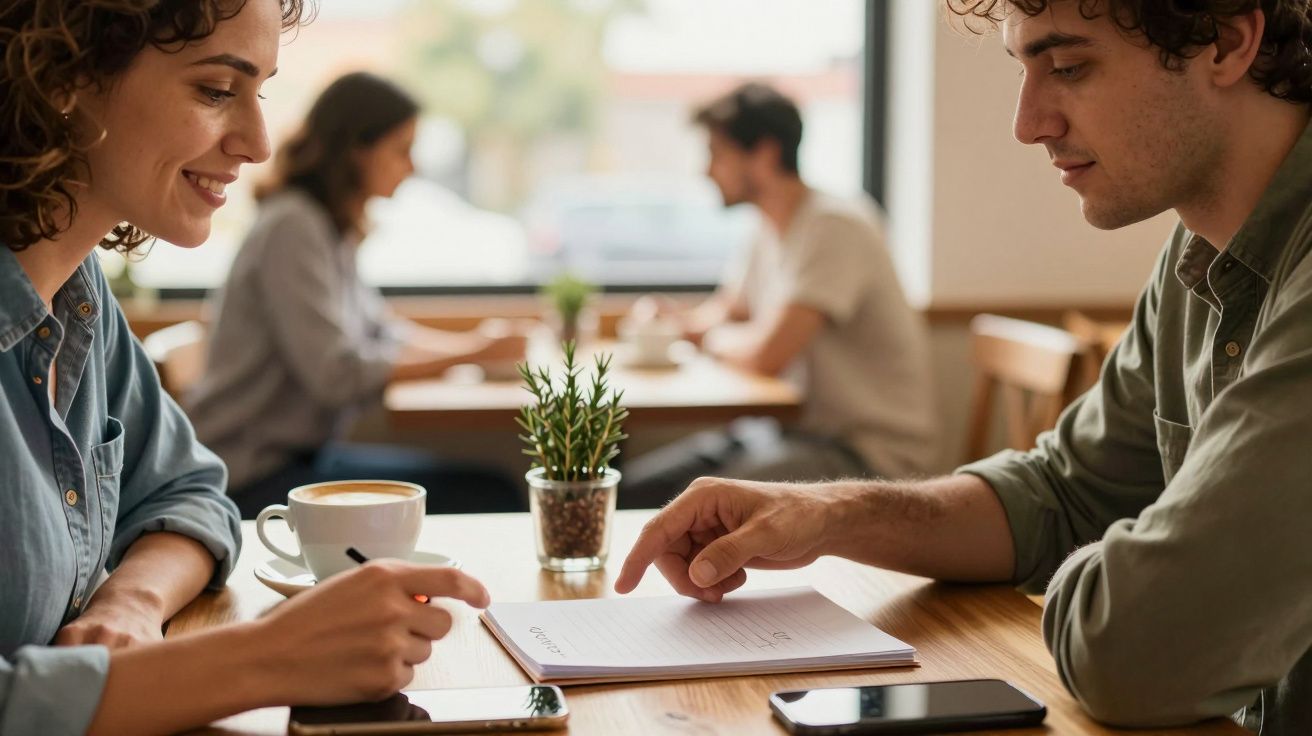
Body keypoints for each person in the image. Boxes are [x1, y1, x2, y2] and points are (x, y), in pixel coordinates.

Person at [615, 2, 1312, 733]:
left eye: (1069, 67)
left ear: (1228, 42)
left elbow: (1137, 652)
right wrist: (825, 514)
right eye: (1024, 70)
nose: (1028, 122)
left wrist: (1121, 566)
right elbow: (1063, 495)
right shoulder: (1192, 259)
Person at [0, 3, 492, 734]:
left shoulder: (79, 297)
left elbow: (192, 486)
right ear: (63, 77)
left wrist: (130, 602)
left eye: (259, 91)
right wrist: (269, 657)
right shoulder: (295, 226)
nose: (260, 142)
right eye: (216, 90)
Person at [187, 72, 527, 519]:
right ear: (356, 150)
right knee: (490, 493)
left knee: (489, 485)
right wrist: (472, 353)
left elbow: (382, 331)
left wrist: (478, 349)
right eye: (402, 150)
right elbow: (338, 375)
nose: (413, 167)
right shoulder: (293, 227)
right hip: (252, 478)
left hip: (296, 461)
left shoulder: (327, 229)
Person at [621, 83, 938, 508]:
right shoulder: (767, 227)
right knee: (633, 491)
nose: (706, 170)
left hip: (866, 456)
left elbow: (767, 354)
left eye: (717, 153)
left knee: (694, 509)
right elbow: (726, 313)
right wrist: (670, 323)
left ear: (765, 155)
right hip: (786, 432)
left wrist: (709, 341)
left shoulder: (833, 226)